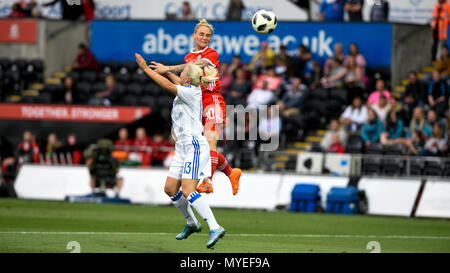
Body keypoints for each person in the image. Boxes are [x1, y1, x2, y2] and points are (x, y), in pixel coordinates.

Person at [136, 53, 226, 248]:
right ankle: (192, 224)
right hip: (182, 147)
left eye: (184, 70)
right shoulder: (188, 87)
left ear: (187, 78)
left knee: (188, 190)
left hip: (193, 145)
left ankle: (215, 226)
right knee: (170, 189)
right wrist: (166, 70)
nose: (182, 71)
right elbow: (175, 80)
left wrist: (145, 69)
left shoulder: (190, 91)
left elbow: (169, 85)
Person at [150, 19, 241, 195]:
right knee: (203, 147)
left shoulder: (211, 54)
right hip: (196, 104)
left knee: (210, 141)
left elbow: (194, 66)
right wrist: (167, 73)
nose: (205, 38)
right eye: (201, 34)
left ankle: (207, 181)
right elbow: (183, 84)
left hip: (212, 99)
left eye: (208, 35)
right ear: (194, 35)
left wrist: (168, 67)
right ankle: (231, 173)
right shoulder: (187, 57)